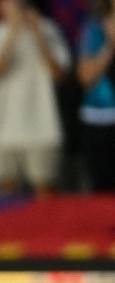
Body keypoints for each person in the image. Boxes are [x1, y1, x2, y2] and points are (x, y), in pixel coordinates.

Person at [0, 0, 69, 196]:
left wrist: (38, 35)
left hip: (44, 129)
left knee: (45, 193)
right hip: (3, 131)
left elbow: (59, 75)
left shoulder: (49, 30)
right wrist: (13, 34)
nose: (16, 6)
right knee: (6, 196)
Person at [77, 0, 115, 192]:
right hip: (100, 119)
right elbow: (85, 77)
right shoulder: (93, 28)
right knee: (101, 192)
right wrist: (110, 46)